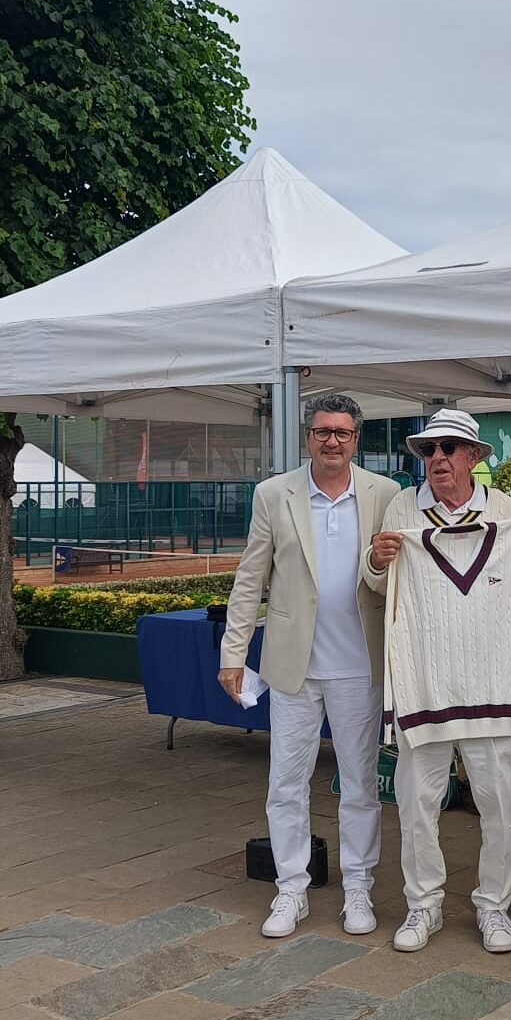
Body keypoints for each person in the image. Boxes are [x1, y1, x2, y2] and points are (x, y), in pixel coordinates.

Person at [364, 408, 511, 955]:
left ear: (473, 456)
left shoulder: (504, 509)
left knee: (500, 802)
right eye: (429, 450)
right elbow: (379, 584)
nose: (438, 459)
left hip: (490, 683)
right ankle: (423, 904)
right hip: (423, 680)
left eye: (449, 448)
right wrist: (376, 560)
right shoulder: (402, 507)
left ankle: (494, 906)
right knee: (416, 803)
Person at [219, 393, 399, 940]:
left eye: (342, 432)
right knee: (285, 784)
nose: (332, 441)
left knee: (361, 786)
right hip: (292, 666)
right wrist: (232, 654)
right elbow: (250, 579)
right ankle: (291, 889)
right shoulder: (274, 494)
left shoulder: (385, 494)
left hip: (359, 666)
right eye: (322, 431)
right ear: (308, 437)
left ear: (356, 439)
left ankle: (359, 888)